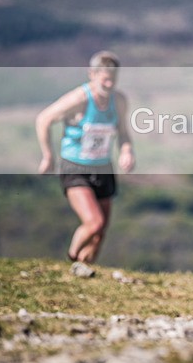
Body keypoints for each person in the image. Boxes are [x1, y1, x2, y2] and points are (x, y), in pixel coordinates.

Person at [36, 51, 135, 265]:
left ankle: (84, 273)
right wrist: (48, 155)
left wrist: (127, 151)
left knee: (100, 234)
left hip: (103, 168)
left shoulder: (118, 101)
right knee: (94, 222)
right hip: (75, 167)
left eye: (113, 79)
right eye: (105, 79)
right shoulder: (79, 99)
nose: (109, 84)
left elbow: (123, 131)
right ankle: (71, 259)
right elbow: (44, 119)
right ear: (92, 74)